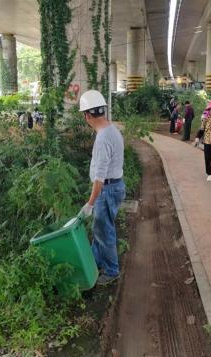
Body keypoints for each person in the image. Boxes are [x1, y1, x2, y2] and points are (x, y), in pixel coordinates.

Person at [78, 90, 126, 286]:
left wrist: (90, 204)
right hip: (114, 187)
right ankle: (95, 260)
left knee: (104, 232)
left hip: (106, 190)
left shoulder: (103, 138)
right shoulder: (112, 130)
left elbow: (99, 178)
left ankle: (112, 270)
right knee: (100, 229)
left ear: (87, 115)